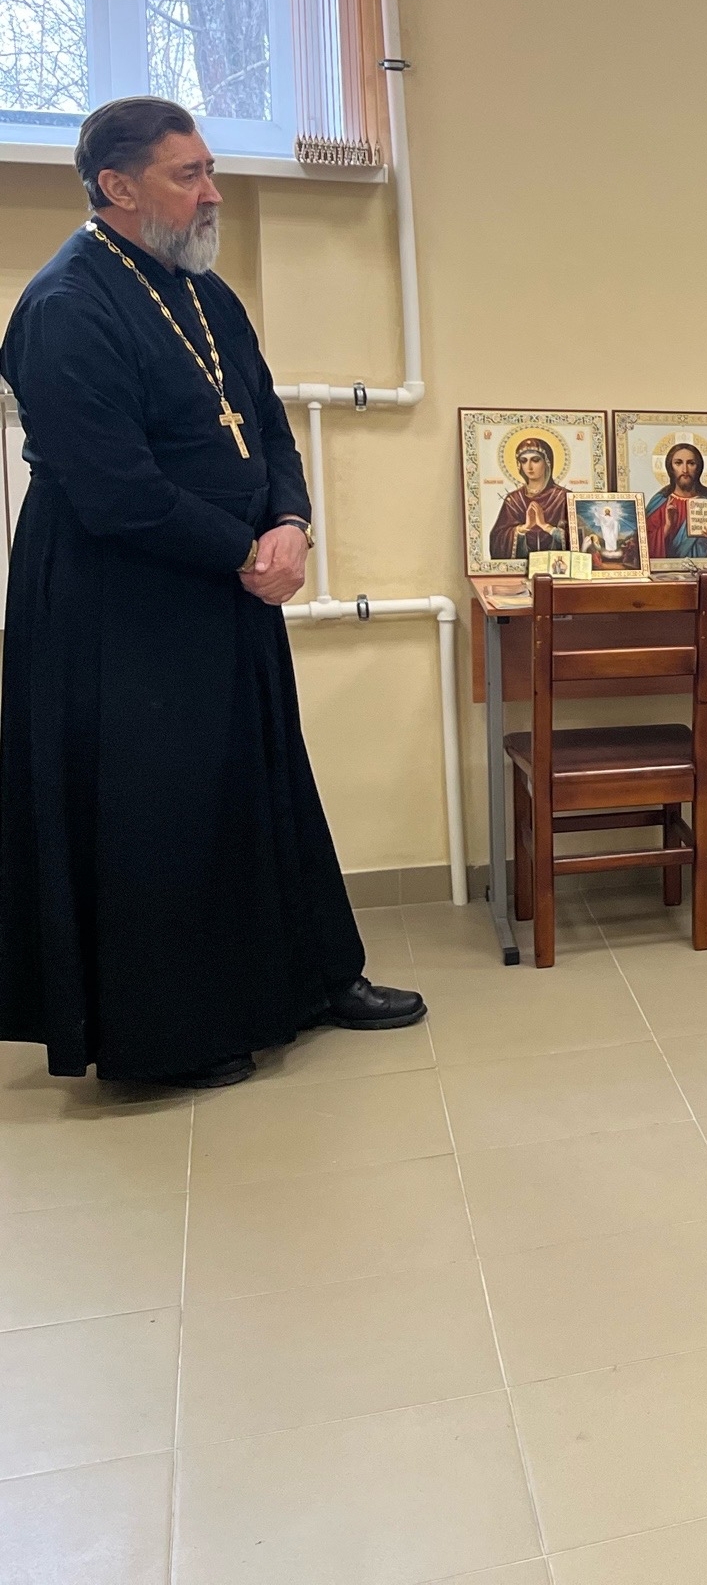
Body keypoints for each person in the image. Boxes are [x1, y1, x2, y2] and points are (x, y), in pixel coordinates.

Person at [0, 97, 424, 1089]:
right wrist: (245, 550)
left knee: (259, 781)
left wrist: (291, 521)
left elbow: (266, 424)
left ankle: (308, 982)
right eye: (188, 174)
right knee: (159, 807)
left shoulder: (205, 293)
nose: (213, 193)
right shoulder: (65, 307)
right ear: (117, 186)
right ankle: (171, 1034)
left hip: (230, 584)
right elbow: (116, 490)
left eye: (211, 170)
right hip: (122, 602)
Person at [642, 443, 707, 559]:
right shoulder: (660, 503)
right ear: (670, 468)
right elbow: (643, 547)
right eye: (678, 463)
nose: (685, 470)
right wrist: (667, 526)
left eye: (691, 463)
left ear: (698, 468)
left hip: (703, 569)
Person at [489, 435, 571, 560]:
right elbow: (497, 539)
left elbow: (577, 539)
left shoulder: (563, 497)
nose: (529, 466)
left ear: (547, 462)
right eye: (523, 461)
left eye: (535, 460)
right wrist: (523, 528)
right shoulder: (514, 500)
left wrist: (546, 527)